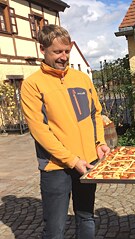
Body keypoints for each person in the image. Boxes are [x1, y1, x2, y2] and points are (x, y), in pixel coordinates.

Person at [21, 24, 110, 239]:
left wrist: (99, 144)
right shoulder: (32, 85)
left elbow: (95, 114)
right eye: (57, 52)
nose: (63, 57)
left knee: (86, 217)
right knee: (54, 229)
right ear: (42, 50)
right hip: (55, 167)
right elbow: (39, 130)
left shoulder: (82, 79)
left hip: (88, 161)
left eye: (67, 51)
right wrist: (71, 159)